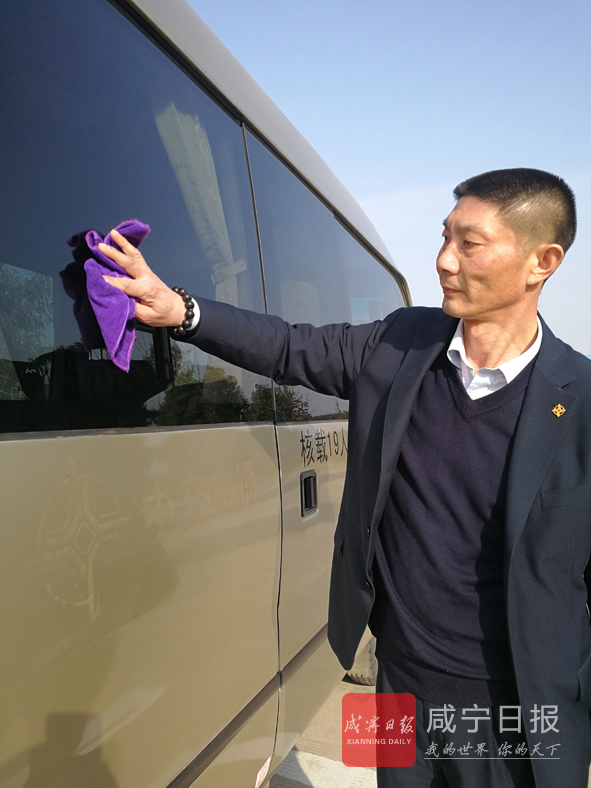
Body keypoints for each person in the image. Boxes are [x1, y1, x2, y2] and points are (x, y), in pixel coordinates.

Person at [99, 168, 591, 788]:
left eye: (470, 244)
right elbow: (288, 346)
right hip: (399, 685)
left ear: (542, 262)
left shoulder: (580, 401)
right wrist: (181, 311)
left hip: (516, 709)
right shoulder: (402, 343)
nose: (444, 260)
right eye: (445, 237)